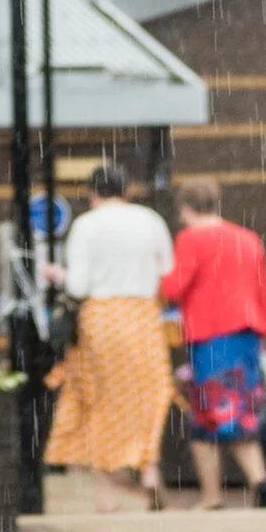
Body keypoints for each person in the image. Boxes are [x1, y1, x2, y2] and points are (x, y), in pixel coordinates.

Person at [43, 162, 175, 512]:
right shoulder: (150, 220)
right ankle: (148, 467)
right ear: (127, 191)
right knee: (148, 392)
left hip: (101, 317)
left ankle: (106, 493)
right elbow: (167, 271)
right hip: (144, 314)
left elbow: (79, 285)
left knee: (98, 397)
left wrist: (59, 275)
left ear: (92, 194)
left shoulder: (86, 225)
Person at [159, 178, 266, 507]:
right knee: (244, 413)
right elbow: (263, 291)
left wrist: (156, 279)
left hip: (212, 337)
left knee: (208, 417)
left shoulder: (191, 239)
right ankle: (259, 481)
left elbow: (174, 287)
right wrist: (263, 332)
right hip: (248, 334)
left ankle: (212, 497)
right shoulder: (248, 239)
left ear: (185, 209)